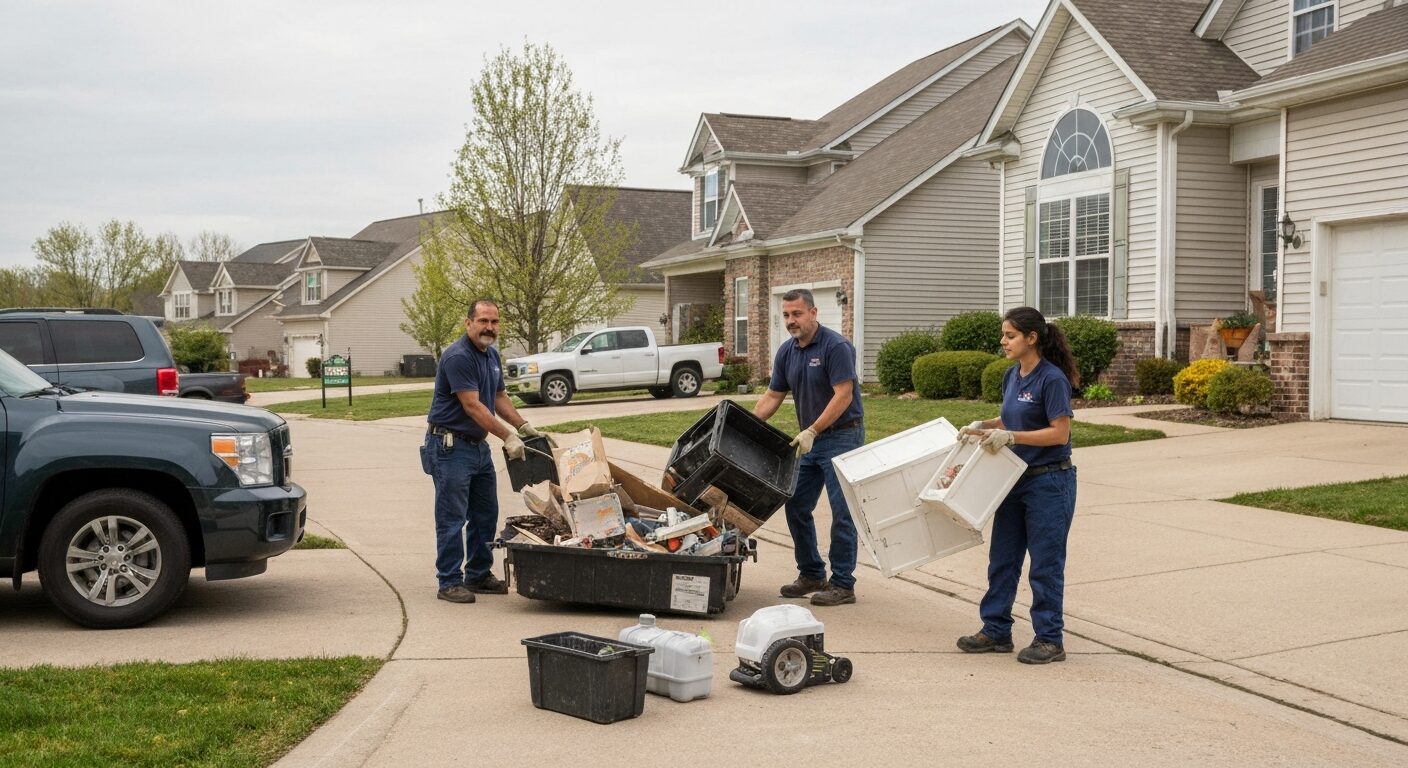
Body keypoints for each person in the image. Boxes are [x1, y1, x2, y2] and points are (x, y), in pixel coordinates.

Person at [955, 306, 1079, 664]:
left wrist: (1010, 436)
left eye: (1010, 335)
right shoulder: (1013, 375)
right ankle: (995, 631)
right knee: (1003, 559)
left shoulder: (1051, 379)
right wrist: (987, 424)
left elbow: (1060, 432)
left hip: (1049, 482)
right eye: (1003, 335)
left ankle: (1049, 639)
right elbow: (1012, 416)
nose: (1003, 341)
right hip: (1012, 479)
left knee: (1045, 564)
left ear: (1032, 338)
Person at [421, 299, 551, 604]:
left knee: (485, 514)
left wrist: (524, 427)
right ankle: (449, 581)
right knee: (452, 517)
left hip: (477, 448)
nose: (489, 328)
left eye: (494, 322)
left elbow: (497, 396)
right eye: (483, 321)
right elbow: (472, 405)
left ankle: (478, 574)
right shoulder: (458, 357)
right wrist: (506, 436)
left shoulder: (491, 354)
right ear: (469, 323)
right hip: (450, 447)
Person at [752, 288, 865, 607]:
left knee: (842, 512)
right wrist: (746, 425)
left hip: (842, 437)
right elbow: (773, 395)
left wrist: (814, 429)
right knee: (796, 505)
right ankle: (813, 573)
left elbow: (843, 395)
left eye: (797, 314)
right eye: (786, 315)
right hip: (810, 440)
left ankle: (843, 583)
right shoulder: (787, 352)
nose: (791, 320)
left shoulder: (836, 346)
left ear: (814, 313)